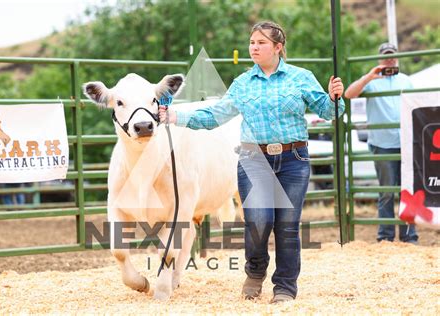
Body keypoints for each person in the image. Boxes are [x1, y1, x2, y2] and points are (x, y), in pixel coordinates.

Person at [159, 21, 344, 303]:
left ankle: (284, 287)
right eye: (252, 42)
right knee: (258, 221)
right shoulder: (243, 83)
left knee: (288, 226)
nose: (254, 47)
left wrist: (335, 97)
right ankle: (255, 272)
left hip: (293, 159)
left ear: (278, 48)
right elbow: (215, 116)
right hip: (253, 158)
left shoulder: (301, 77)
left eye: (261, 43)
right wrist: (176, 117)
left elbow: (329, 111)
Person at [344, 42, 418, 244]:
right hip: (383, 142)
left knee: (407, 190)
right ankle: (385, 236)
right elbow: (349, 94)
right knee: (387, 190)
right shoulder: (372, 81)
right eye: (386, 56)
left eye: (392, 55)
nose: (390, 59)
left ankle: (409, 236)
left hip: (406, 141)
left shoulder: (406, 80)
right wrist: (369, 75)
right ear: (380, 59)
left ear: (397, 57)